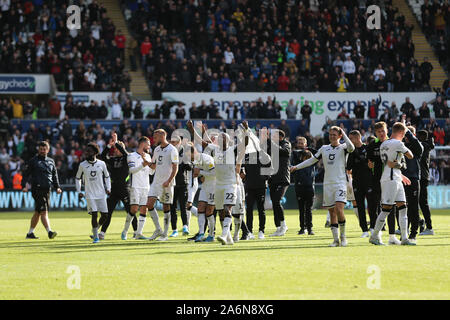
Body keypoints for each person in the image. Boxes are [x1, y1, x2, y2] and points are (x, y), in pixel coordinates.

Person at [291, 126, 355, 247]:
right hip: (328, 184)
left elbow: (352, 147)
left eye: (334, 135)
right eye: (330, 134)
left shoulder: (344, 147)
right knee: (332, 213)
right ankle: (336, 240)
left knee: (339, 209)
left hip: (340, 183)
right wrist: (297, 167)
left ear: (340, 136)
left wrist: (344, 133)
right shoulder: (324, 148)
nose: (331, 137)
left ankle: (343, 237)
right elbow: (311, 160)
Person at [369, 122, 415, 246]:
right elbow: (411, 155)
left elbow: (390, 162)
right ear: (401, 133)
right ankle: (374, 236)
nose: (405, 136)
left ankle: (404, 238)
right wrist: (399, 160)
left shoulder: (384, 144)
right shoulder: (398, 143)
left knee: (403, 206)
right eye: (404, 134)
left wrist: (397, 164)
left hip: (394, 177)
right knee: (386, 209)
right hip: (390, 179)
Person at [367, 121, 400, 244]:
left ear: (387, 130)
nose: (381, 133)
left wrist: (397, 165)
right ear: (375, 133)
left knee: (391, 207)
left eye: (383, 131)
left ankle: (392, 236)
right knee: (375, 207)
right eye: (378, 131)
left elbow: (401, 162)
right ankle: (377, 235)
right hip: (377, 180)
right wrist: (369, 164)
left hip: (391, 179)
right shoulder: (371, 145)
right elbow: (368, 162)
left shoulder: (393, 144)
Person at [99, 132, 136, 240]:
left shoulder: (127, 158)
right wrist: (109, 145)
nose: (114, 150)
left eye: (116, 148)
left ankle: (136, 231)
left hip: (125, 189)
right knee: (107, 212)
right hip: (114, 190)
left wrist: (116, 142)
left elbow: (126, 154)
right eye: (114, 148)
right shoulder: (112, 159)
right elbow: (102, 156)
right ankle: (102, 233)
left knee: (130, 211)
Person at [22, 141, 62, 239]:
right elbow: (26, 174)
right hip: (37, 189)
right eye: (41, 149)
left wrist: (57, 187)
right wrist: (24, 186)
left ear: (48, 150)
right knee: (44, 211)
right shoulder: (33, 161)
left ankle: (30, 233)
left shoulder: (51, 161)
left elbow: (54, 175)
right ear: (38, 150)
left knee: (38, 212)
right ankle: (50, 232)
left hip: (47, 190)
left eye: (44, 149)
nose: (42, 151)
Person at [146, 129, 179, 241]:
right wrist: (146, 163)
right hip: (156, 182)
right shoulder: (156, 149)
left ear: (162, 135)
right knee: (149, 204)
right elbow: (154, 166)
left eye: (155, 137)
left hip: (167, 183)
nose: (154, 140)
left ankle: (165, 234)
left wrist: (169, 180)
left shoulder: (172, 149)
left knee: (166, 206)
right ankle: (158, 229)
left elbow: (175, 167)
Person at [75, 143, 111, 244]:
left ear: (95, 152)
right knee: (94, 214)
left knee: (105, 215)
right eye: (86, 151)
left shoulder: (102, 164)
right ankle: (96, 237)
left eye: (89, 151)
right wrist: (79, 191)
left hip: (101, 193)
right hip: (89, 194)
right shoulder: (82, 165)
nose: (87, 153)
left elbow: (107, 177)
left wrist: (108, 188)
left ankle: (95, 228)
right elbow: (78, 178)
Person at [347, 130, 375, 237]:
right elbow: (348, 168)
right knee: (360, 207)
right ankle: (364, 230)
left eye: (351, 138)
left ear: (357, 138)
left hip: (369, 181)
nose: (350, 141)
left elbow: (373, 164)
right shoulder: (351, 151)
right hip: (357, 182)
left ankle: (372, 227)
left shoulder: (368, 148)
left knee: (372, 206)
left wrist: (370, 165)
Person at [123, 136, 153, 240]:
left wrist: (153, 167)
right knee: (134, 209)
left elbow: (151, 172)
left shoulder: (149, 156)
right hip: (135, 186)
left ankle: (139, 233)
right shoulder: (131, 156)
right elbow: (132, 170)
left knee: (144, 210)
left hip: (146, 186)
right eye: (148, 144)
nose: (150, 146)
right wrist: (143, 165)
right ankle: (125, 231)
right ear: (142, 144)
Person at [263, 128, 291, 237]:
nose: (272, 138)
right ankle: (278, 228)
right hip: (273, 178)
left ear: (281, 137)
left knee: (277, 201)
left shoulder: (286, 144)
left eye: (274, 136)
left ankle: (284, 225)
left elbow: (285, 152)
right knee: (274, 203)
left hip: (282, 178)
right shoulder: (271, 147)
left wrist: (270, 141)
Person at [187, 141, 216, 242]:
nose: (189, 159)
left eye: (189, 156)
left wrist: (201, 173)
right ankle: (201, 233)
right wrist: (200, 175)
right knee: (200, 208)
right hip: (205, 186)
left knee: (209, 212)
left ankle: (211, 235)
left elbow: (214, 173)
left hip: (213, 187)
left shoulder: (207, 158)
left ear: (193, 152)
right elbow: (199, 173)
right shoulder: (195, 161)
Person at [242, 148, 272, 240]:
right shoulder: (246, 156)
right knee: (249, 210)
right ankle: (249, 231)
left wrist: (263, 178)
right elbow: (240, 168)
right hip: (249, 187)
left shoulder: (264, 155)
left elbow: (270, 168)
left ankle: (261, 231)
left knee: (261, 209)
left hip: (260, 186)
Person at [401, 125, 423, 242]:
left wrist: (406, 129)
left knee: (413, 208)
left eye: (408, 134)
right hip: (401, 179)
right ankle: (404, 232)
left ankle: (413, 233)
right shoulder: (401, 146)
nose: (406, 136)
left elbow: (415, 143)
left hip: (413, 180)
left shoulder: (417, 148)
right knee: (402, 207)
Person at [291, 137, 316, 235]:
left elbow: (319, 153)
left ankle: (310, 228)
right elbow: (291, 164)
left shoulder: (312, 156)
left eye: (303, 143)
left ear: (306, 144)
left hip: (310, 185)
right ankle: (302, 228)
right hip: (299, 185)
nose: (301, 145)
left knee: (309, 209)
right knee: (301, 209)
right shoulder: (295, 154)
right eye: (299, 143)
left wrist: (308, 149)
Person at [169, 136, 192, 237]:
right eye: (172, 142)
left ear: (179, 142)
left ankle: (185, 227)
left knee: (183, 206)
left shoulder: (185, 152)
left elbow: (190, 167)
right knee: (172, 207)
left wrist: (185, 162)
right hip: (172, 183)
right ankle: (174, 230)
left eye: (174, 142)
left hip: (183, 183)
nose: (173, 143)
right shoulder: (168, 152)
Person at [417, 130, 435, 235]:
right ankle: (424, 224)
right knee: (421, 203)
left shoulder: (423, 146)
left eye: (418, 137)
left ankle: (429, 227)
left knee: (422, 203)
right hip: (424, 177)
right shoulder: (426, 146)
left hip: (422, 177)